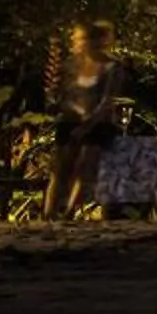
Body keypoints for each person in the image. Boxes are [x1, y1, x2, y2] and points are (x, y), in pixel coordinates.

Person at [47, 21, 127, 221]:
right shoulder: (70, 64)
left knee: (85, 166)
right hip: (71, 118)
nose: (79, 43)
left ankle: (69, 213)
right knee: (60, 167)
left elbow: (107, 99)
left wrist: (88, 123)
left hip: (98, 122)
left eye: (83, 39)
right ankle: (48, 213)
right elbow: (63, 95)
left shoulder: (112, 67)